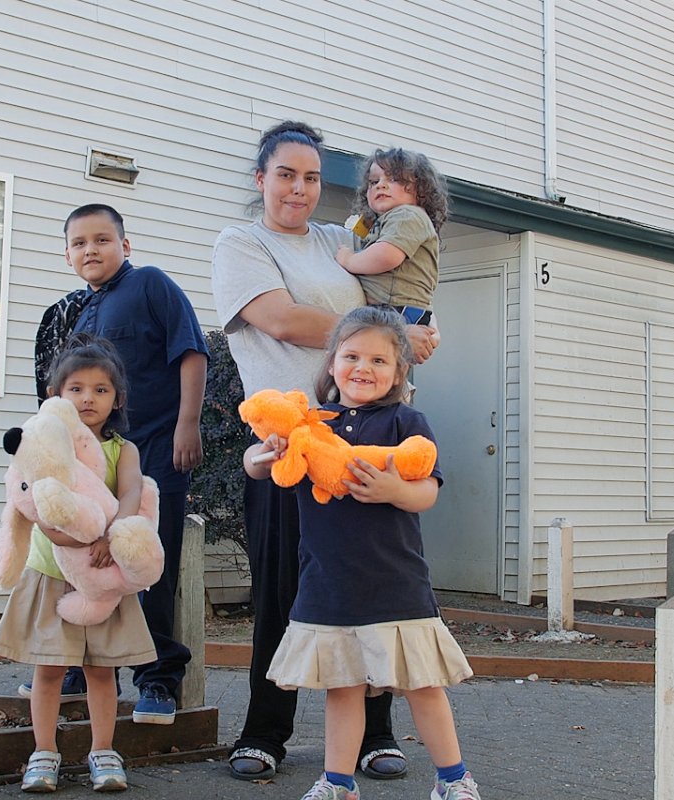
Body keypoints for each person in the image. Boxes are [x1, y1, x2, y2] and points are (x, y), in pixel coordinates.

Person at [208, 120, 438, 783]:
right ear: (261, 179)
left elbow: (398, 292)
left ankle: (376, 733)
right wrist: (386, 330)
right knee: (282, 590)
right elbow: (280, 318)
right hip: (289, 445)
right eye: (285, 174)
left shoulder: (341, 240)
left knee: (374, 588)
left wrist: (416, 330)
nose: (300, 188)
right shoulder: (241, 241)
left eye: (312, 177)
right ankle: (265, 732)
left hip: (367, 439)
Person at [245, 307, 478, 800]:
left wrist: (395, 488)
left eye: (378, 359)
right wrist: (257, 457)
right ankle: (338, 782)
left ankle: (454, 779)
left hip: (396, 583)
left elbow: (428, 492)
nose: (363, 368)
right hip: (330, 584)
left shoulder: (406, 421)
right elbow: (259, 464)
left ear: (399, 372)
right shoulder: (312, 426)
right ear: (331, 363)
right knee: (342, 687)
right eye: (351, 355)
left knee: (423, 685)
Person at [23, 204, 208, 725]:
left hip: (156, 451)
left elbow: (191, 353)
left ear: (125, 246)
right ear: (67, 256)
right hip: (94, 464)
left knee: (148, 562)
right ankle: (80, 664)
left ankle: (158, 679)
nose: (91, 250)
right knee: (83, 559)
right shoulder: (80, 313)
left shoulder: (149, 285)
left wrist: (187, 424)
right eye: (79, 243)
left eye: (102, 240)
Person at [0, 335, 155, 793]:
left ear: (117, 398)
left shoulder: (124, 449)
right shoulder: (42, 443)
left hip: (103, 576)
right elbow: (32, 500)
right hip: (51, 572)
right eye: (76, 388)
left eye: (100, 389)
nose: (88, 398)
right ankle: (44, 753)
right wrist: (57, 532)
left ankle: (103, 750)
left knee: (103, 670)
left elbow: (131, 494)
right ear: (54, 396)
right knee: (49, 670)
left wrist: (113, 536)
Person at [336, 148, 449, 328]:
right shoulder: (386, 220)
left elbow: (386, 255)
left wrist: (349, 260)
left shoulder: (408, 215)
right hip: (394, 308)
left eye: (394, 179)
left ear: (420, 189)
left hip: (398, 309)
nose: (380, 185)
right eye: (373, 182)